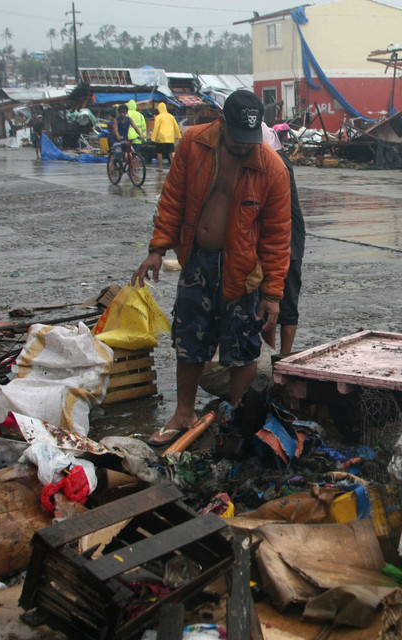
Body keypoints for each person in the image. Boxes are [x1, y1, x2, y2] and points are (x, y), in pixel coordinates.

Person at [131, 90, 291, 445]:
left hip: (243, 268)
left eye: (250, 140)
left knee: (242, 347)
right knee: (189, 340)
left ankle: (236, 416)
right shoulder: (193, 143)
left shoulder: (272, 168)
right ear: (222, 123)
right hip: (197, 260)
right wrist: (157, 248)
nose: (243, 146)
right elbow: (172, 198)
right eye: (237, 138)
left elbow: (279, 238)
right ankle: (183, 413)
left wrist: (273, 295)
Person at [259, 123, 305, 354]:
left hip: (289, 244)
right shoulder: (271, 160)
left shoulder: (278, 164)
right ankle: (270, 359)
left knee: (286, 307)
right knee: (268, 305)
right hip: (272, 243)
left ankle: (283, 359)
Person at [151, 102, 181, 172]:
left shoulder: (158, 117)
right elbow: (176, 127)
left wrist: (153, 138)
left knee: (159, 152)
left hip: (161, 138)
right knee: (171, 152)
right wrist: (178, 136)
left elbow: (156, 128)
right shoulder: (171, 116)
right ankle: (173, 167)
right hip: (170, 138)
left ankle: (160, 167)